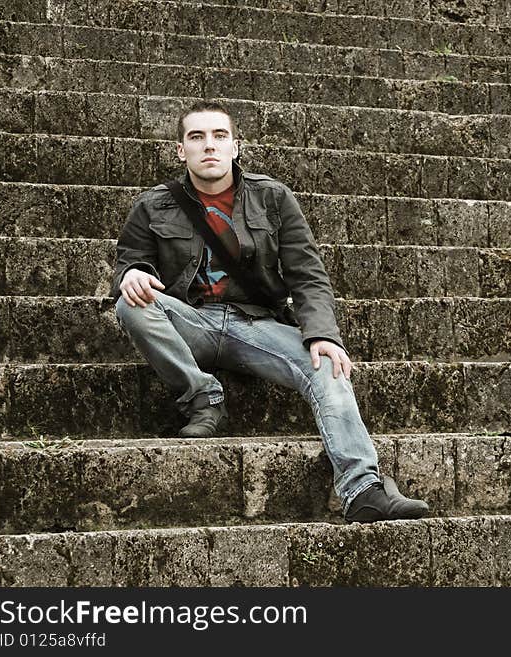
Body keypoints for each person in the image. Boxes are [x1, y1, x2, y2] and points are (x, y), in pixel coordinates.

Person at [111, 100, 428, 524]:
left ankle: (362, 489)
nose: (209, 146)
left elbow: (308, 275)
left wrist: (321, 333)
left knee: (327, 367)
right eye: (197, 137)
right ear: (180, 150)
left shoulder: (273, 197)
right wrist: (132, 273)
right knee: (132, 304)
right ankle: (203, 396)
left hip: (255, 326)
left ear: (235, 146)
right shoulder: (153, 205)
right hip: (192, 321)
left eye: (219, 136)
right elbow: (129, 260)